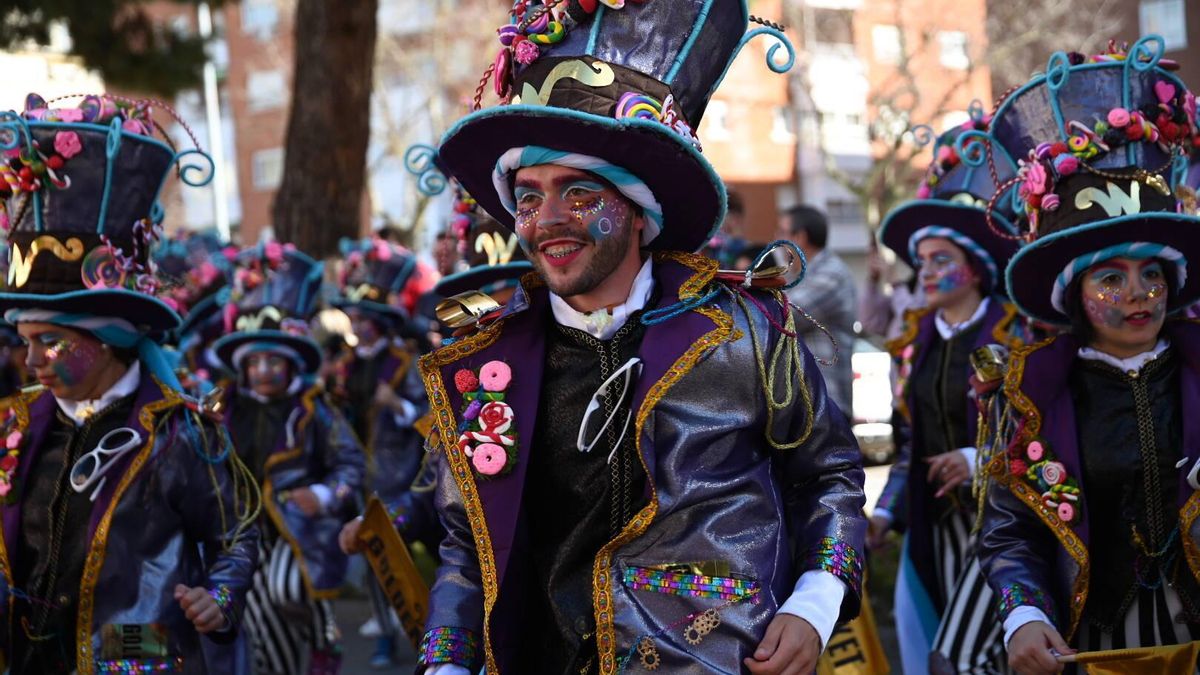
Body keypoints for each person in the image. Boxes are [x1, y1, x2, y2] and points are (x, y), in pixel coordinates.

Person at [413, 2, 868, 673]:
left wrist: (815, 601)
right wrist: (447, 663)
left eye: (579, 192)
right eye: (530, 196)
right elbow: (467, 542)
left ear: (636, 209)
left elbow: (828, 474)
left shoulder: (743, 328)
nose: (546, 221)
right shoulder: (486, 362)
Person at [0, 93, 258, 673]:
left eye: (49, 340)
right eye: (25, 339)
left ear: (106, 339)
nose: (29, 357)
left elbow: (237, 533)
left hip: (135, 655)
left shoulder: (180, 432)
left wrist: (217, 598)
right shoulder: (15, 422)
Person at [969, 38, 1200, 674]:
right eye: (1111, 279)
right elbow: (1008, 529)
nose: (1139, 295)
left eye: (1151, 272)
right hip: (1093, 647)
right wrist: (1025, 614)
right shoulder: (1027, 393)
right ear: (1075, 294)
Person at [874, 111, 1025, 674]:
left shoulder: (1017, 337)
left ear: (977, 270)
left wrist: (976, 461)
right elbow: (910, 442)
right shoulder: (915, 342)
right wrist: (884, 515)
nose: (927, 274)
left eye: (943, 261)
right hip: (936, 530)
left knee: (959, 661)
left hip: (1004, 527)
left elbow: (1047, 439)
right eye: (922, 262)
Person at [213, 244, 365, 674]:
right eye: (254, 361)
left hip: (303, 531)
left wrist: (323, 494)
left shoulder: (313, 409)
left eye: (273, 361)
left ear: (291, 363)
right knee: (259, 624)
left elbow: (351, 464)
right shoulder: (224, 409)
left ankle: (324, 636)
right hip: (244, 532)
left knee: (285, 589)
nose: (263, 370)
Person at [330, 237, 430, 668]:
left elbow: (428, 412)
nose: (357, 322)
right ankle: (386, 634)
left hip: (405, 473)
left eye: (363, 316)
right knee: (374, 554)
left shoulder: (404, 358)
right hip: (363, 474)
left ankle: (436, 632)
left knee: (430, 551)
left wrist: (398, 405)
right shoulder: (346, 363)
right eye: (352, 315)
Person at [780, 204, 857, 414]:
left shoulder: (832, 273)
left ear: (801, 237)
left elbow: (786, 315)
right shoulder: (797, 276)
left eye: (783, 234)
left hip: (826, 401)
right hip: (805, 402)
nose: (777, 242)